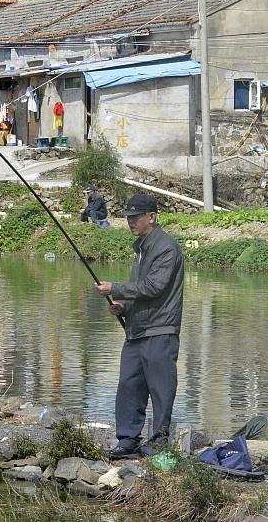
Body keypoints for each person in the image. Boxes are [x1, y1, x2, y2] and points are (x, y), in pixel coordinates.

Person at [96, 194, 185, 460]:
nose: (131, 222)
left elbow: (155, 287)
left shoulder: (166, 247)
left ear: (152, 217)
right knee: (129, 385)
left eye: (136, 217)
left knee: (160, 388)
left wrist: (116, 288)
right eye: (128, 217)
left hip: (160, 330)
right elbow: (141, 292)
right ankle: (127, 440)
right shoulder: (142, 248)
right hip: (136, 329)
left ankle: (158, 442)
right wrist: (122, 304)